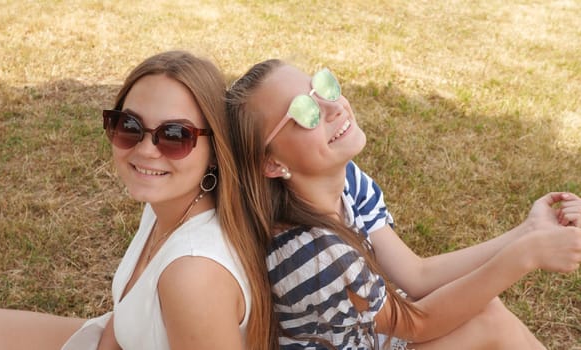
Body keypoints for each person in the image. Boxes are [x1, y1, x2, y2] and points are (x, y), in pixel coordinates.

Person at [225, 59, 581, 349]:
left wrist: (529, 231)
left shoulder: (344, 184)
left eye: (324, 87)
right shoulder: (310, 253)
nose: (333, 107)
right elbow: (417, 323)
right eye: (305, 112)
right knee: (489, 322)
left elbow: (416, 275)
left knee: (486, 310)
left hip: (371, 339)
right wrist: (526, 254)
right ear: (271, 163)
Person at [0, 51, 274, 350]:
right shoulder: (169, 206)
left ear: (215, 152)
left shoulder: (193, 275)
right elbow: (126, 312)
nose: (147, 150)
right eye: (129, 126)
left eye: (175, 135)